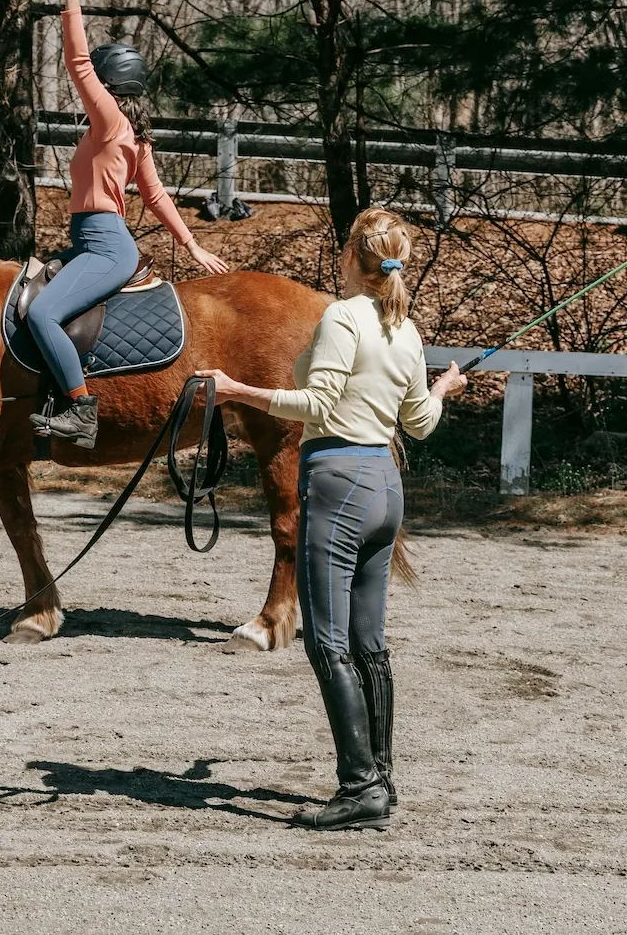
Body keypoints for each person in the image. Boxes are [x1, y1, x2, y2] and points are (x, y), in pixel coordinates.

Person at [201, 207, 466, 831]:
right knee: (369, 642)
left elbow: (316, 404)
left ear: (350, 257)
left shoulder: (343, 317)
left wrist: (238, 391)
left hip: (339, 482)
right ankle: (381, 780)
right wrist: (441, 391)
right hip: (384, 490)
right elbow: (418, 424)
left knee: (327, 642)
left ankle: (359, 785)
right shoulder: (405, 329)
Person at [30, 0, 230, 449]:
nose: (90, 87)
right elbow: (156, 195)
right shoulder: (132, 134)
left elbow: (77, 63)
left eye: (97, 81)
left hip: (104, 244)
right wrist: (191, 244)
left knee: (41, 315)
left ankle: (81, 412)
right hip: (93, 242)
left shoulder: (109, 121)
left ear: (108, 84)